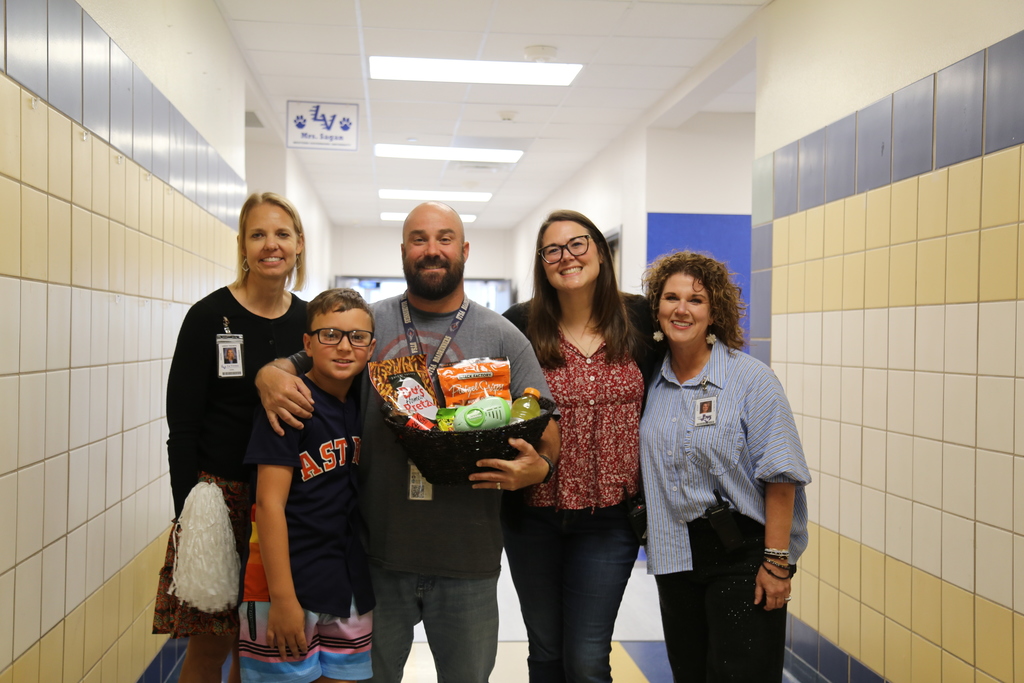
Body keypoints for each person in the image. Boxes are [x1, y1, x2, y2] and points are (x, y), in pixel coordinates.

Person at [254, 202, 560, 683]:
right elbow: (299, 365)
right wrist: (267, 374)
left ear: (464, 249)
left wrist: (538, 467)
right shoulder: (366, 325)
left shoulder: (504, 335)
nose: (432, 250)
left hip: (468, 560)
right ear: (402, 251)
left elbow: (547, 429)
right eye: (419, 239)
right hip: (376, 559)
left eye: (444, 239)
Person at [153, 191, 308, 683]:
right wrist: (191, 515)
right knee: (211, 646)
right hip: (219, 502)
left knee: (259, 648)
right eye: (258, 234)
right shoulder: (207, 318)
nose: (270, 245)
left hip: (285, 503)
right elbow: (184, 426)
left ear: (299, 245)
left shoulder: (310, 323)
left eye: (281, 234)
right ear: (242, 243)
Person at [639, 251, 811, 682]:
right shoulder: (650, 383)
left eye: (695, 300)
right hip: (675, 552)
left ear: (714, 311)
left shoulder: (751, 379)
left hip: (742, 555)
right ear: (656, 308)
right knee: (691, 674)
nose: (681, 309)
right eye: (670, 297)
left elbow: (782, 472)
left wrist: (776, 563)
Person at [501, 210, 657, 682]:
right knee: (546, 652)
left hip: (609, 519)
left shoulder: (639, 319)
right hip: (532, 515)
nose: (566, 257)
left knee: (588, 658)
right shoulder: (520, 325)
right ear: (542, 263)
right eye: (553, 249)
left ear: (602, 253)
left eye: (578, 244)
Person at [238, 289, 376, 683]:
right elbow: (268, 506)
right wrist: (282, 599)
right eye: (330, 334)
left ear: (371, 348)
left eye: (358, 337)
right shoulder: (289, 402)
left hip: (346, 586)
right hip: (284, 586)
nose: (345, 347)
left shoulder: (361, 404)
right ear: (307, 343)